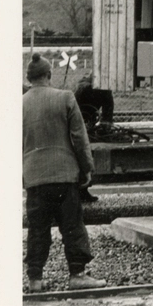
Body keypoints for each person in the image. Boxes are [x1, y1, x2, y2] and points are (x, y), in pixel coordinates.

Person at [23, 54, 106, 291]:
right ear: (49, 75)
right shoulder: (65, 97)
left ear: (29, 79)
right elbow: (80, 138)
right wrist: (87, 169)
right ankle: (77, 275)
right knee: (72, 226)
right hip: (64, 176)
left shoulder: (19, 104)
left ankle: (35, 279)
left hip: (35, 178)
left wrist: (23, 175)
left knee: (37, 230)